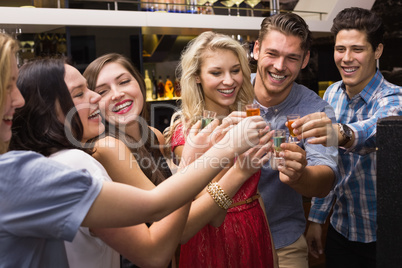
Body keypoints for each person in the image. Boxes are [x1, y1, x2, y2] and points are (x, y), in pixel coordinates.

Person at [1, 39, 266, 268]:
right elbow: (156, 224)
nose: (98, 97)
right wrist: (227, 153)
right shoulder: (82, 158)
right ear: (46, 111)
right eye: (83, 92)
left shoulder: (152, 136)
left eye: (124, 81)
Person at [295, 7, 402, 268]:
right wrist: (317, 220)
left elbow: (378, 130)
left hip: (387, 236)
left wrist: (341, 133)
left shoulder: (394, 97)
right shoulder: (332, 94)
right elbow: (329, 163)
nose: (346, 58)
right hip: (342, 230)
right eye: (340, 49)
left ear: (377, 51)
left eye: (357, 49)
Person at [164, 31, 277, 268]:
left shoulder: (248, 120)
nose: (229, 81)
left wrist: (272, 254)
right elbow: (214, 216)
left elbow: (256, 194)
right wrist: (227, 147)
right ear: (197, 77)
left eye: (235, 70)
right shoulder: (189, 135)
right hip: (212, 242)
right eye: (216, 72)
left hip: (255, 230)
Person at [252, 13, 339, 268]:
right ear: (256, 49)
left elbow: (326, 177)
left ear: (305, 60)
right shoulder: (230, 91)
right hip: (225, 236)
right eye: (272, 53)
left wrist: (300, 175)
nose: (280, 66)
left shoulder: (318, 110)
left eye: (291, 58)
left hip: (284, 242)